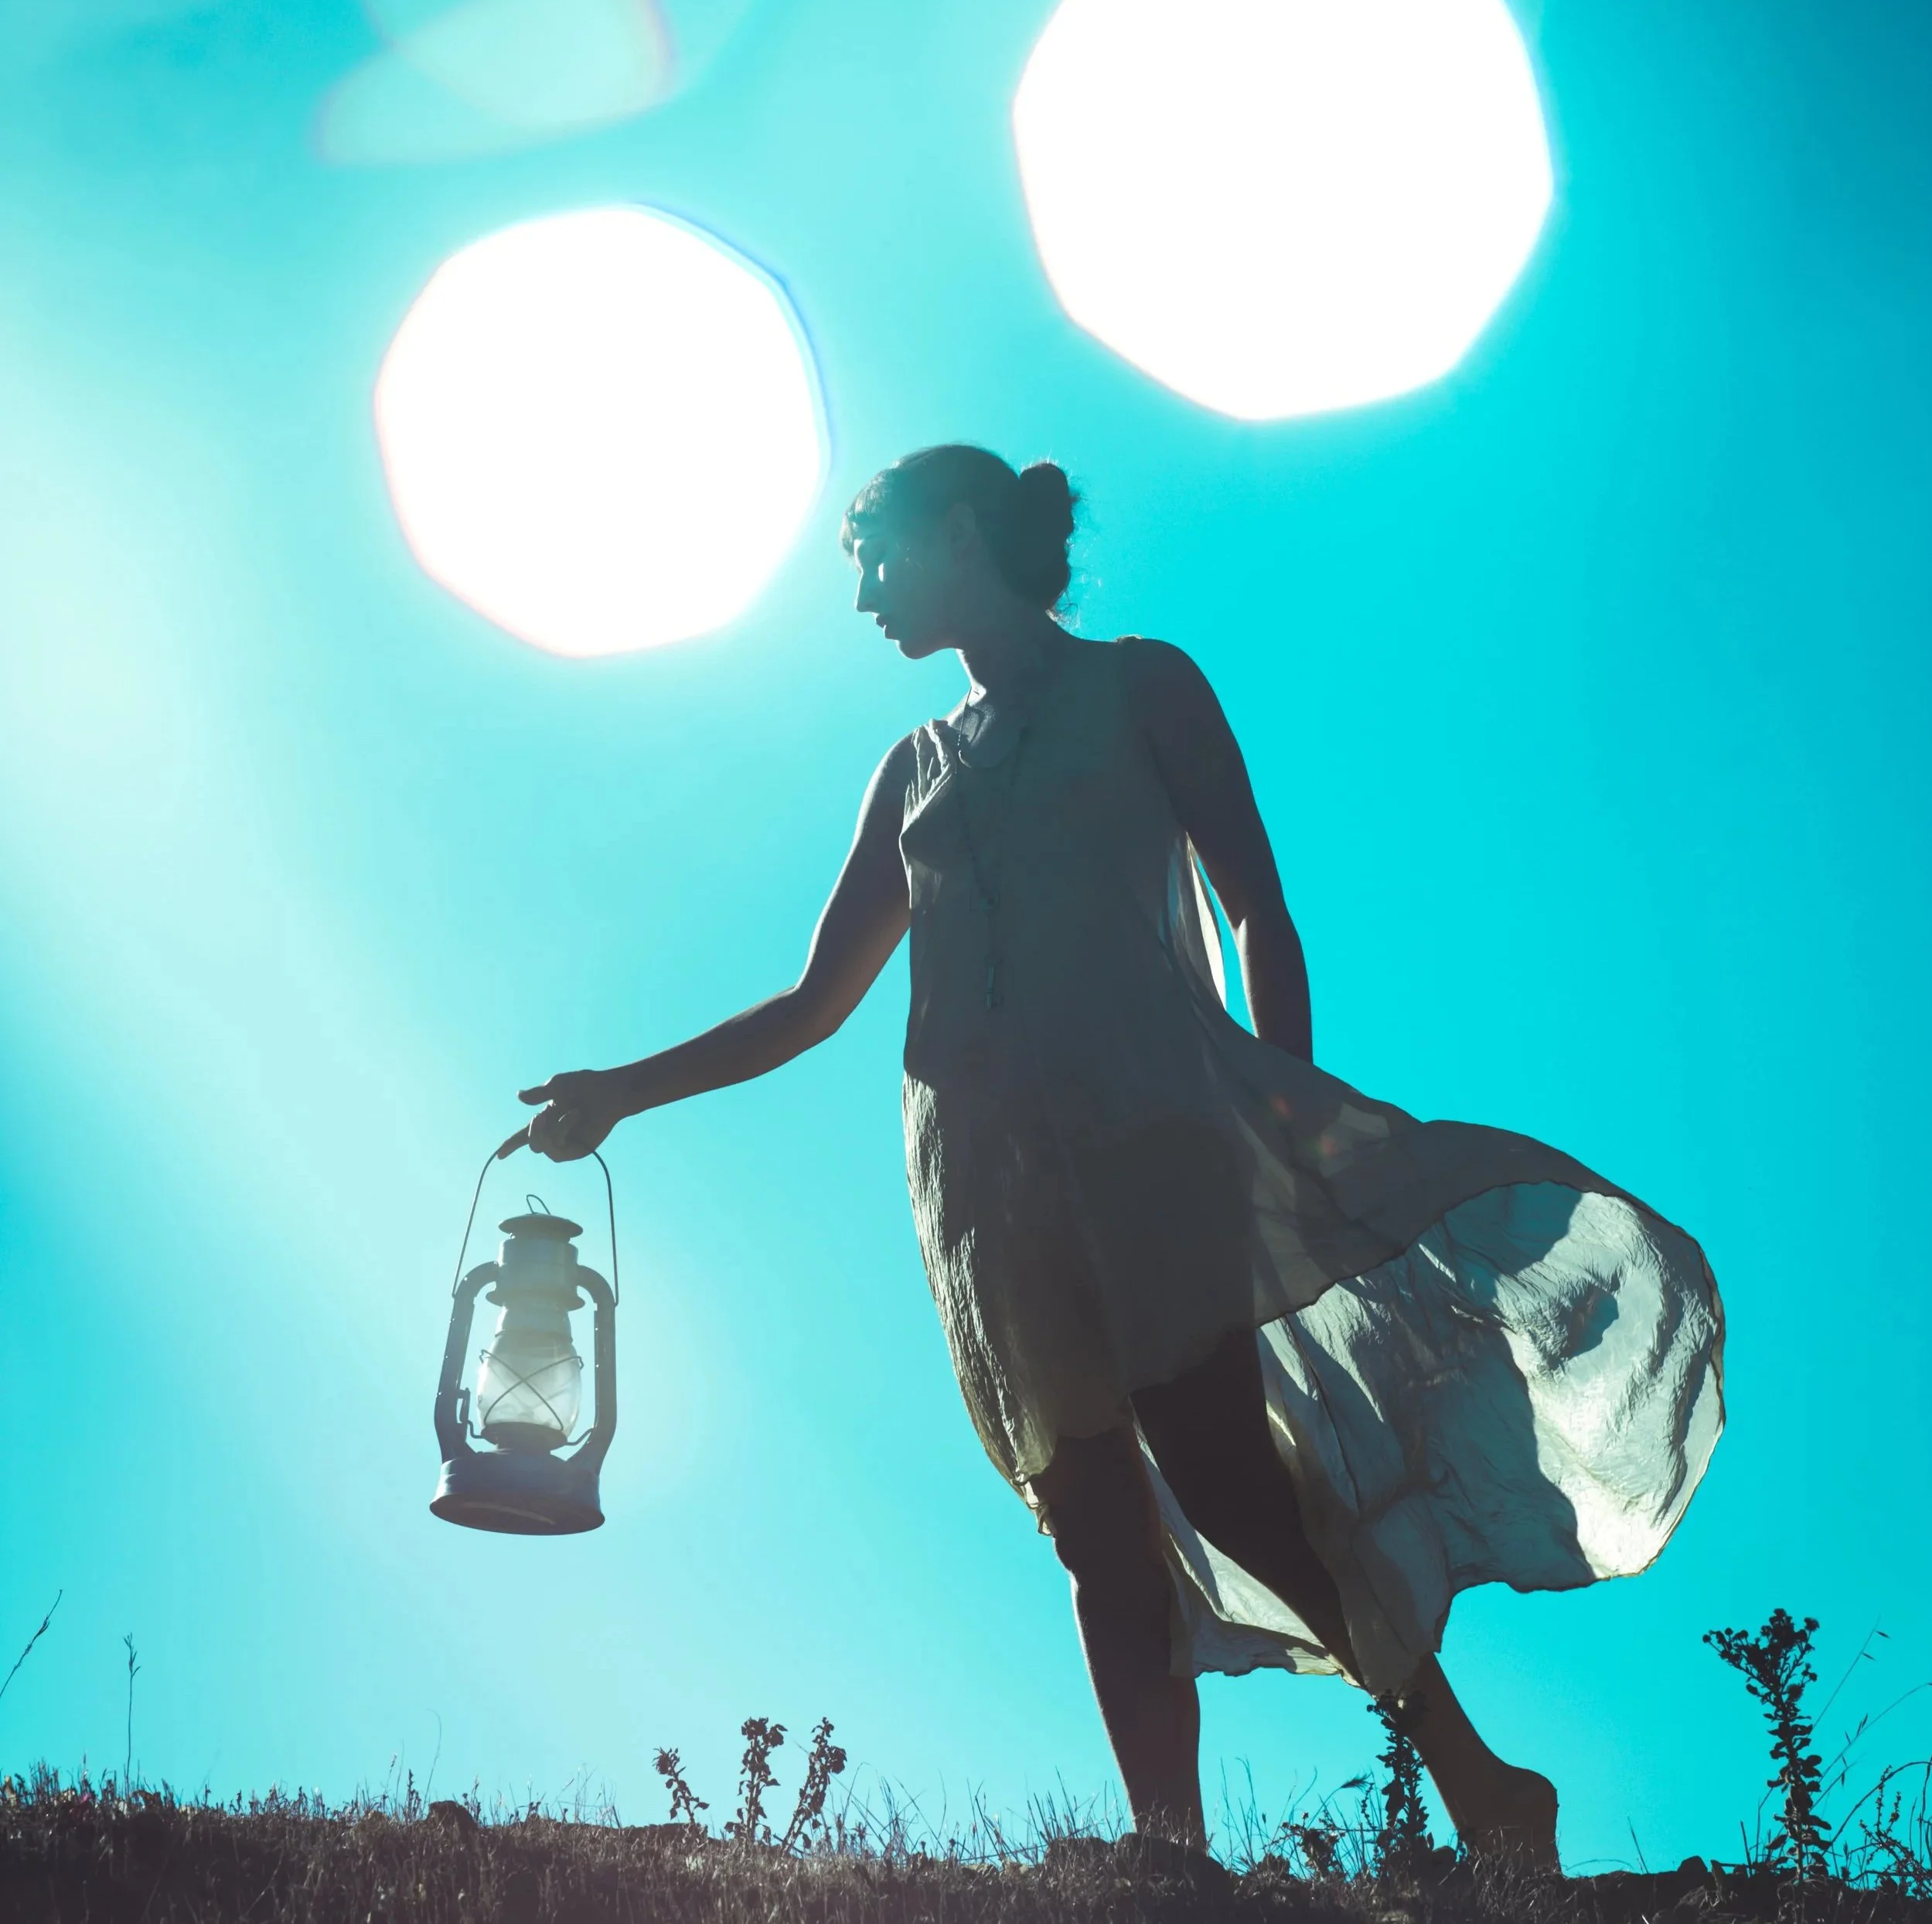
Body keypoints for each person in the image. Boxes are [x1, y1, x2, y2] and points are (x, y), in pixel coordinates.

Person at [514, 444, 1725, 1874]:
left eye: (876, 559)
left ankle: (1477, 1780)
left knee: (1222, 1471)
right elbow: (808, 1004)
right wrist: (620, 1091)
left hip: (1152, 1134)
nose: (862, 599)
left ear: (960, 531)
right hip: (983, 1192)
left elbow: (1255, 905)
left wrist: (1289, 1089)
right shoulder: (910, 766)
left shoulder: (1143, 682)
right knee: (1088, 1519)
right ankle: (1172, 1859)